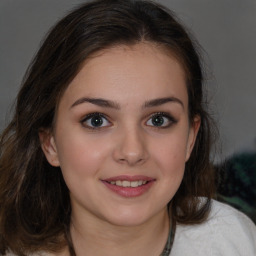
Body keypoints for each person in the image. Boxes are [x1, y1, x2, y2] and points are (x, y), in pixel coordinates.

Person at [0, 0, 255, 255]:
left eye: (158, 120)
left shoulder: (232, 241)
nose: (132, 152)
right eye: (96, 120)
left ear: (191, 136)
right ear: (50, 143)